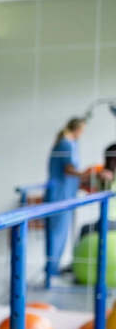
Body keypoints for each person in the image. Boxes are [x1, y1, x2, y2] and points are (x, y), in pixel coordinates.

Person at [44, 117, 108, 279]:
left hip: (66, 193)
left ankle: (53, 267)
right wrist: (90, 174)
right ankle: (51, 269)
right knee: (57, 233)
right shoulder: (66, 143)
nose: (83, 133)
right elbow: (69, 170)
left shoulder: (69, 143)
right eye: (83, 129)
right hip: (60, 195)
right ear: (77, 129)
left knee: (60, 232)